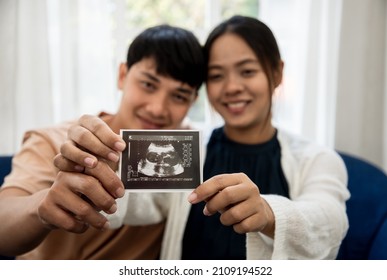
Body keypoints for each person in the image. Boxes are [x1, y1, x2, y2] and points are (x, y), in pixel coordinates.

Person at [55, 15, 350, 259]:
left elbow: (329, 221)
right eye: (217, 76)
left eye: (247, 71)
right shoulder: (188, 145)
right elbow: (141, 203)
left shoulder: (316, 158)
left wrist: (268, 213)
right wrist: (100, 173)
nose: (232, 87)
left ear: (276, 73)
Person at [0, 24, 204, 259]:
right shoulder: (56, 142)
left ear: (192, 101)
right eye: (148, 84)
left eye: (178, 96)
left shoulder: (191, 153)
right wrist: (44, 205)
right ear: (122, 75)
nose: (157, 109)